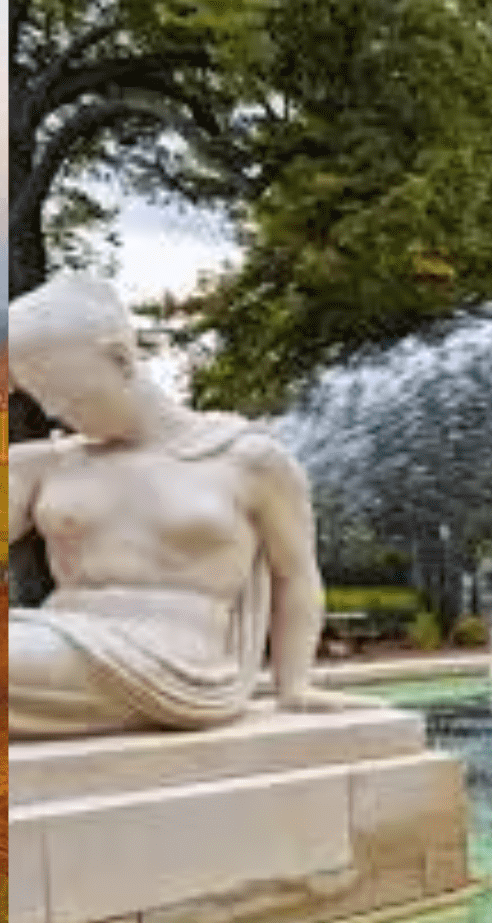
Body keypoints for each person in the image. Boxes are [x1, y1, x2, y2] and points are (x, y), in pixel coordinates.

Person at [8, 274, 342, 737]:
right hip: (57, 636)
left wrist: (295, 687)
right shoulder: (48, 466)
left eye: (67, 396)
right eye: (39, 397)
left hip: (175, 662)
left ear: (121, 359)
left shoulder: (246, 460)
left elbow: (296, 573)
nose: (52, 413)